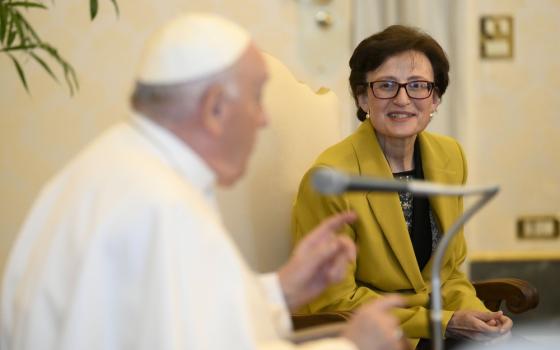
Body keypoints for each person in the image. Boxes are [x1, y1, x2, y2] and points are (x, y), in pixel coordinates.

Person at [0, 13, 407, 350]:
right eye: (255, 99)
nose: (263, 119)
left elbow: (182, 318)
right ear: (214, 108)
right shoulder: (163, 205)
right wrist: (353, 345)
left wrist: (279, 291)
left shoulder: (105, 166)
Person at [291, 25, 512, 349]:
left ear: (435, 98)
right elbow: (335, 300)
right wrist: (443, 323)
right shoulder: (330, 179)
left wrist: (482, 318)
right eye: (386, 85)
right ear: (363, 96)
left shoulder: (450, 156)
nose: (403, 99)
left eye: (418, 86)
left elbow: (448, 273)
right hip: (371, 338)